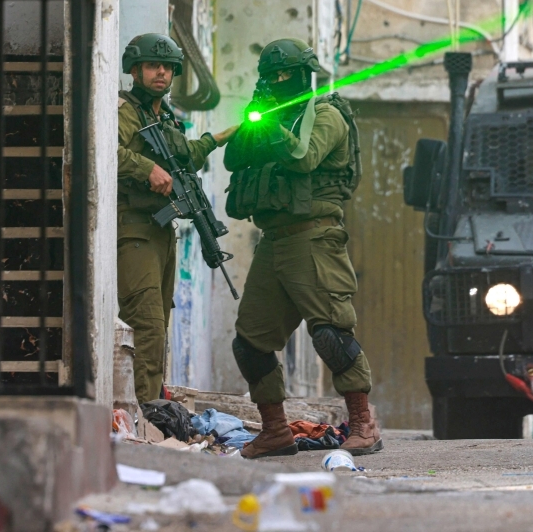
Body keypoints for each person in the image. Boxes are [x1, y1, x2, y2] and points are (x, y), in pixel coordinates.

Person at [224, 38, 381, 459]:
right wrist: (254, 115)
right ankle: (275, 429)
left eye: (286, 74)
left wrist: (270, 124)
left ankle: (364, 424)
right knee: (250, 342)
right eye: (271, 76)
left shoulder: (327, 115)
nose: (279, 81)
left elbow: (304, 157)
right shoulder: (272, 116)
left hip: (315, 238)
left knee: (330, 333)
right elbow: (234, 158)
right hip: (274, 241)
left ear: (305, 74)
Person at [117, 33, 238, 404]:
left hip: (159, 232)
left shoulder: (163, 115)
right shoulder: (124, 110)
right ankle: (143, 410)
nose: (161, 74)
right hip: (133, 231)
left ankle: (151, 403)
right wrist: (146, 168)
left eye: (168, 68)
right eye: (154, 66)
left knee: (160, 323)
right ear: (135, 69)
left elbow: (185, 155)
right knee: (148, 323)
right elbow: (104, 148)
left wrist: (223, 136)